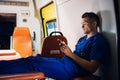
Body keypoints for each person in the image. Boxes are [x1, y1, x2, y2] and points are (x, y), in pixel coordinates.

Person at [0, 12, 109, 80]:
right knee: (32, 58)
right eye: (82, 23)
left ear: (94, 24)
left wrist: (70, 54)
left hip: (70, 70)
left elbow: (92, 67)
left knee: (33, 63)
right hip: (64, 62)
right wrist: (67, 51)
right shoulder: (82, 39)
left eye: (84, 23)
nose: (82, 26)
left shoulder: (98, 41)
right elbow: (74, 56)